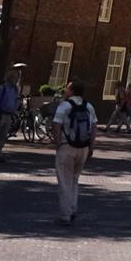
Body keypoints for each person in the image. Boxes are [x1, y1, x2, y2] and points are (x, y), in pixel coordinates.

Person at [51, 79, 98, 224]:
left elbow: (56, 125)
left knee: (64, 181)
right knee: (74, 179)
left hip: (67, 146)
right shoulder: (88, 106)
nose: (65, 90)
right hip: (83, 147)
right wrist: (91, 146)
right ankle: (72, 209)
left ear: (71, 90)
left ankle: (65, 215)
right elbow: (94, 126)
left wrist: (58, 143)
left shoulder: (64, 106)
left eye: (67, 88)